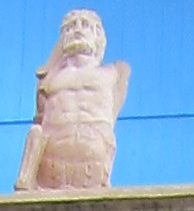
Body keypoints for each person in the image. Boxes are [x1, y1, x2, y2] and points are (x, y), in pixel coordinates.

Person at [15, 11, 130, 194]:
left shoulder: (115, 73)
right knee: (35, 131)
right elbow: (40, 120)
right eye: (69, 27)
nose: (77, 30)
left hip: (94, 154)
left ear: (97, 34)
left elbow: (112, 114)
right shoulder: (47, 81)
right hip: (52, 159)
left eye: (85, 25)